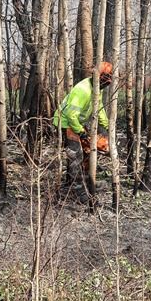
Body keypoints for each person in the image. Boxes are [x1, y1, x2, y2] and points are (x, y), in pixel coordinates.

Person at [53, 61, 113, 200]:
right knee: (76, 154)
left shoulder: (97, 90)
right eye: (105, 79)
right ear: (98, 77)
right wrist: (81, 132)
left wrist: (108, 127)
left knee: (87, 151)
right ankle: (76, 189)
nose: (106, 83)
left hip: (76, 122)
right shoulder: (83, 90)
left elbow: (99, 109)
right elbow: (71, 115)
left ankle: (85, 182)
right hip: (65, 122)